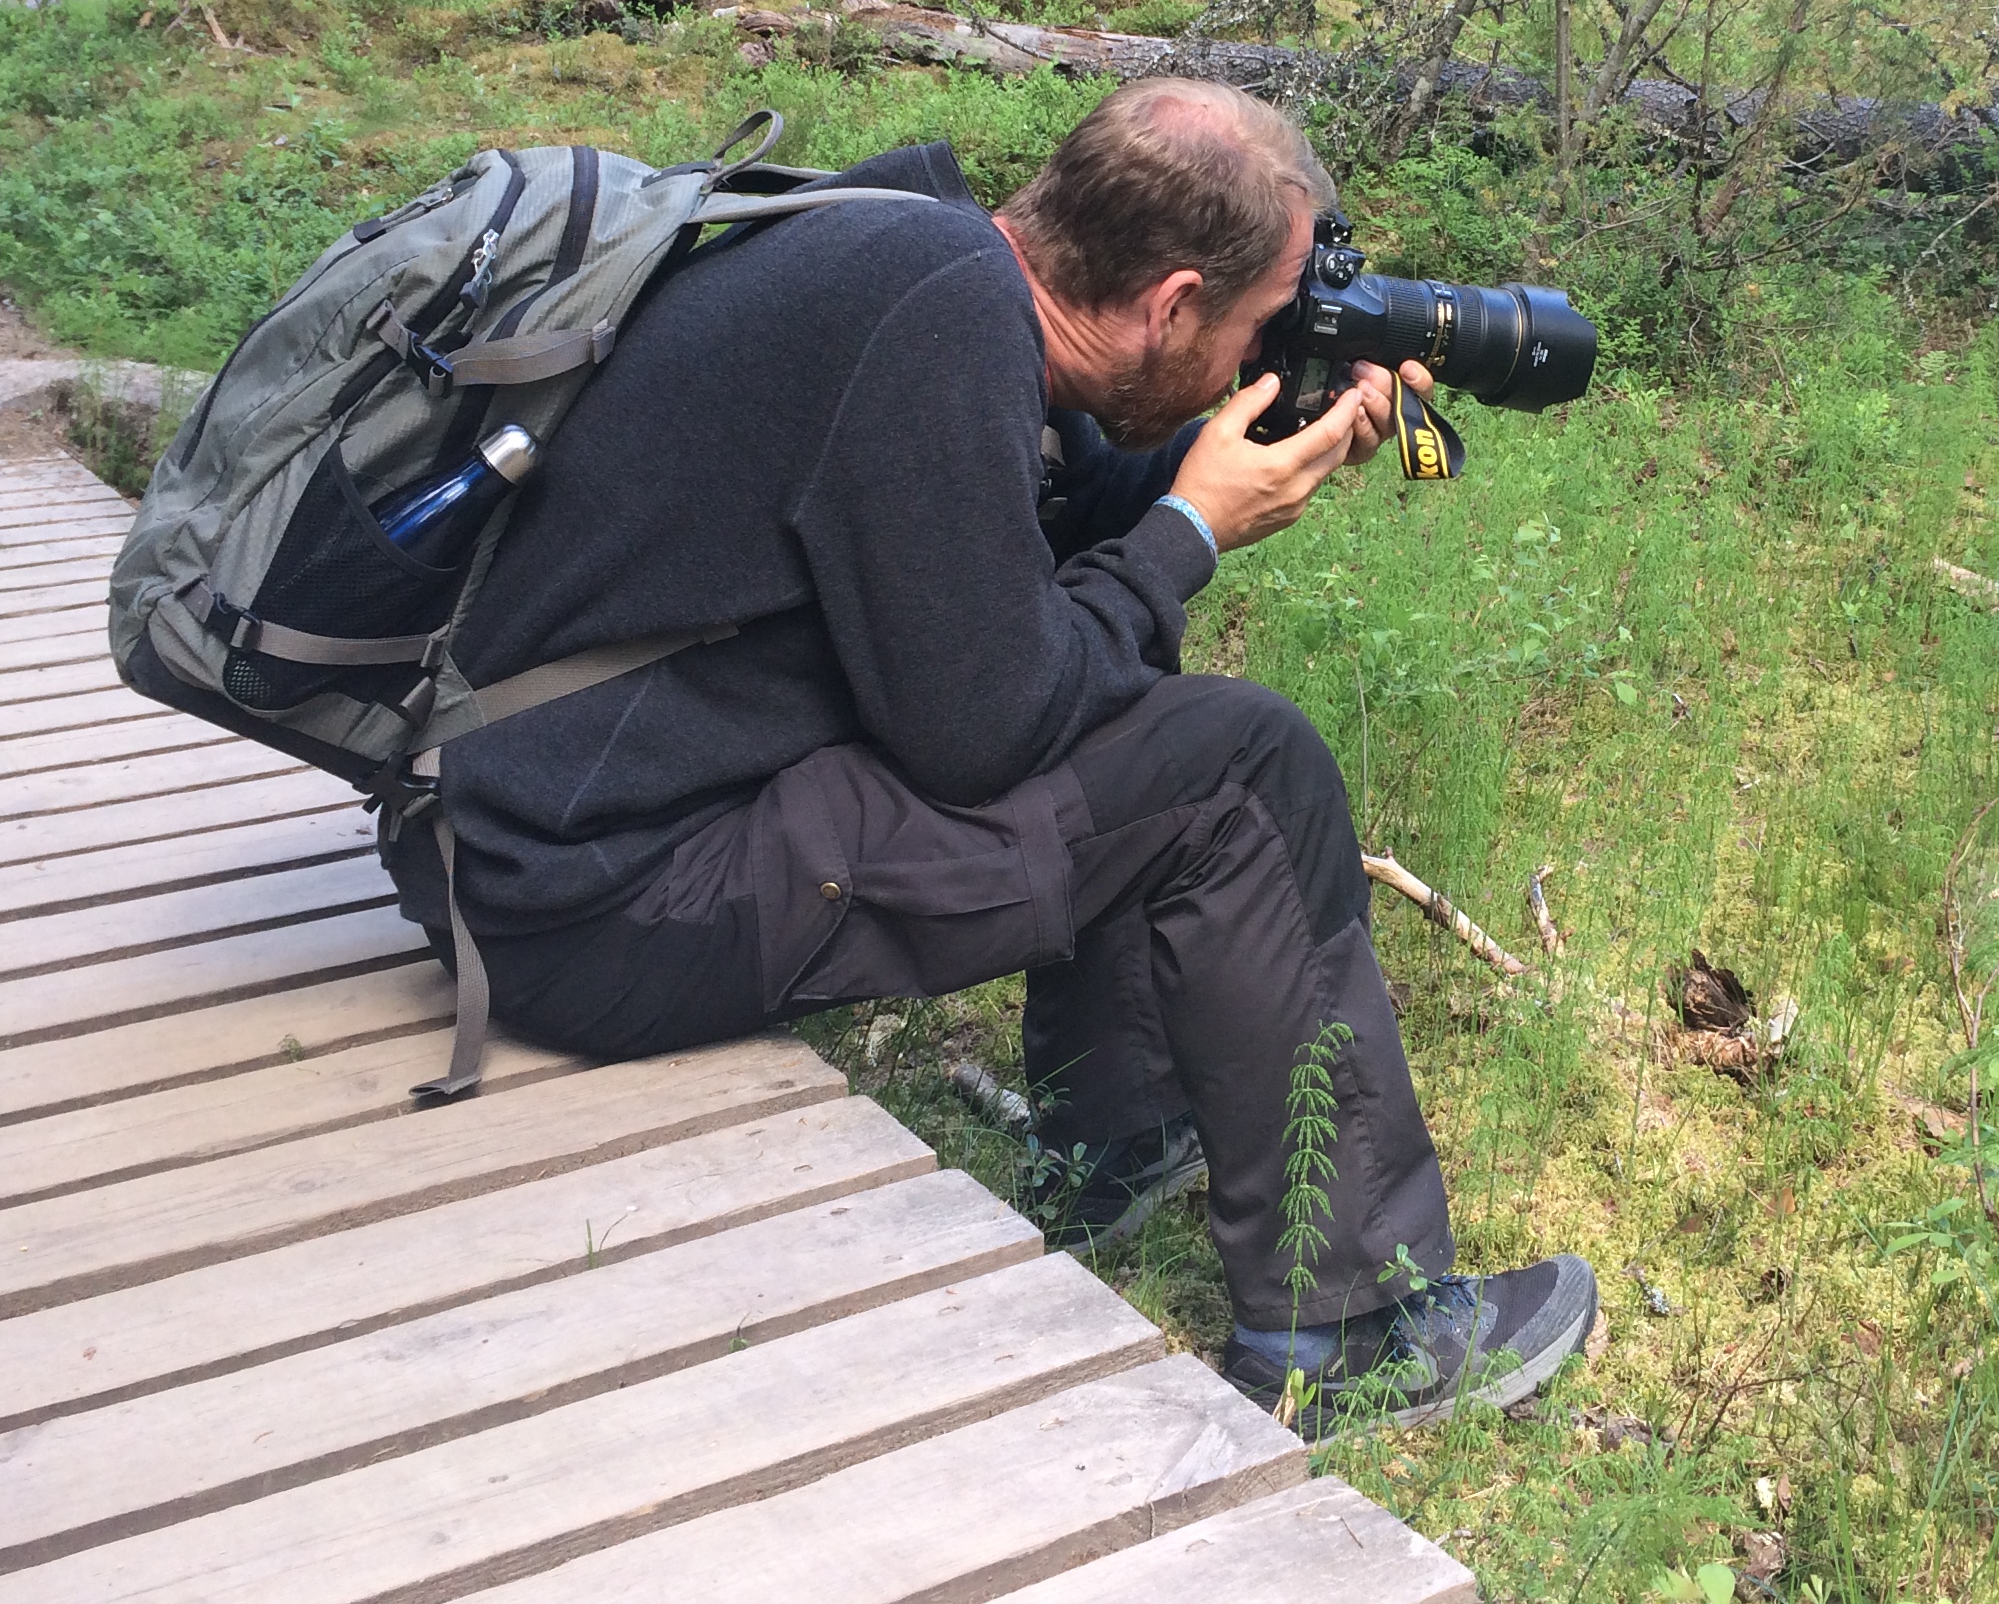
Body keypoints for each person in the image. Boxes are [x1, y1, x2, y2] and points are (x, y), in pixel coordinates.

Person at [395, 77, 1594, 1430]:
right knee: (1238, 772)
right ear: (1171, 303)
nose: (1258, 353)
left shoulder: (927, 262)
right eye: (1254, 329)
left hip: (542, 842)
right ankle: (1353, 1328)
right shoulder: (938, 322)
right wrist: (1189, 533)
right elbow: (989, 731)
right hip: (593, 910)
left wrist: (1233, 453)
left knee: (1145, 715)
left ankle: (1114, 1142)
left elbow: (1020, 534)